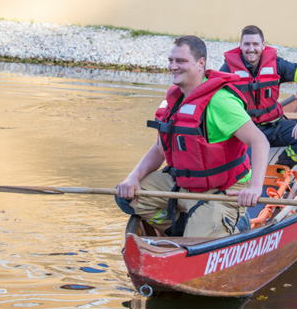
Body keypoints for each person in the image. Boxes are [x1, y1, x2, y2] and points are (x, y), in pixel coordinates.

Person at [115, 35, 270, 238]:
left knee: (196, 244)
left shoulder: (220, 101)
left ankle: (234, 221)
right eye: (171, 60)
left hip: (221, 189)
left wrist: (255, 188)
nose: (173, 66)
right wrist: (133, 177)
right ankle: (183, 225)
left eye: (181, 61)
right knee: (127, 195)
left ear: (201, 63)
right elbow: (159, 148)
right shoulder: (174, 100)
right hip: (183, 184)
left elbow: (260, 141)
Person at [220, 25, 297, 168]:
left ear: (263, 46)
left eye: (255, 44)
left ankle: (282, 166)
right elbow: (216, 101)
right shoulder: (228, 70)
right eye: (247, 44)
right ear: (240, 46)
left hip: (275, 128)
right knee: (246, 168)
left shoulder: (277, 65)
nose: (251, 49)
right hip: (246, 132)